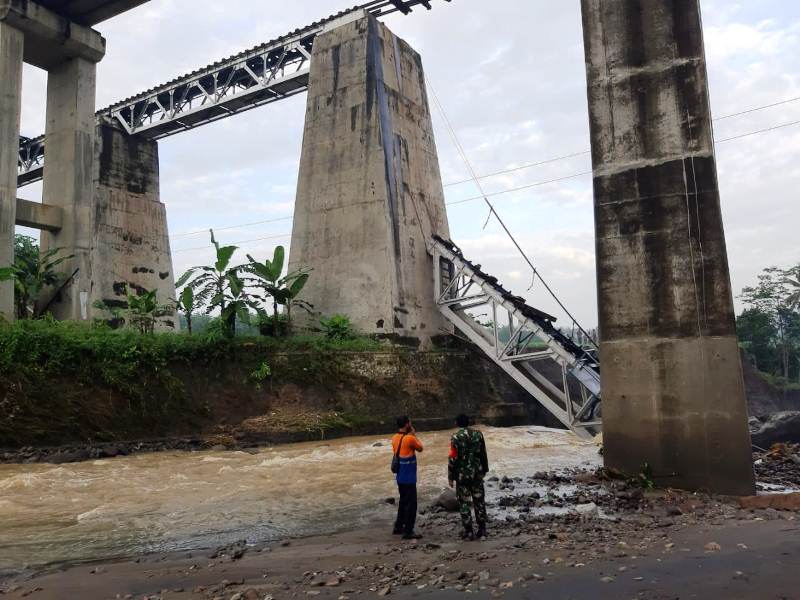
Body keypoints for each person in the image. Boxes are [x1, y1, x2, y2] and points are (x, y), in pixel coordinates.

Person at [448, 413, 489, 540]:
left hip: (462, 475)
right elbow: (483, 453)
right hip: (477, 473)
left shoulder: (455, 437)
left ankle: (469, 531)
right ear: (468, 422)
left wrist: (451, 476)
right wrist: (485, 469)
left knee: (464, 502)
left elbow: (453, 457)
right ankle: (482, 529)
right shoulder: (478, 434)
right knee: (479, 500)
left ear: (457, 423)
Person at [391, 416, 424, 540]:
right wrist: (414, 435)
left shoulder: (394, 438)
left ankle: (398, 527)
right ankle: (408, 531)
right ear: (406, 424)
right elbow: (420, 448)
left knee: (403, 502)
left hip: (400, 476)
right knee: (411, 504)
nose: (411, 423)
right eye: (410, 422)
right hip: (409, 476)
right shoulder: (410, 438)